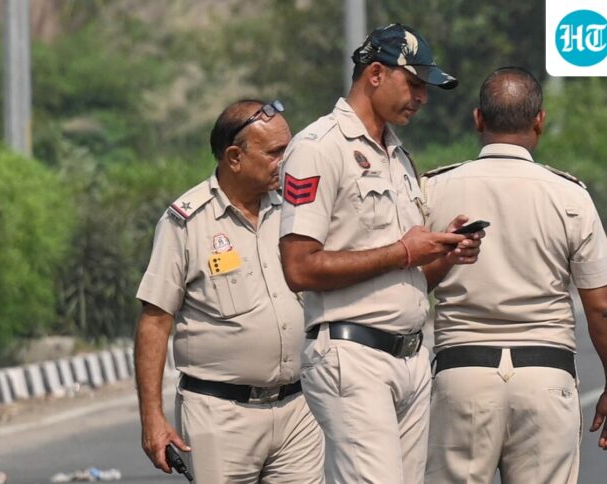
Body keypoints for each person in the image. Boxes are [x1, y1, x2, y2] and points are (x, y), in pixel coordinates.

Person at [278, 24, 483, 484]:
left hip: (409, 355)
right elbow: (299, 267)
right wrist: (405, 251)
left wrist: (443, 252)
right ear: (375, 74)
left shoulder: (398, 156)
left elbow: (408, 276)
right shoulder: (318, 148)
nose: (422, 97)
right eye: (413, 84)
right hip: (352, 355)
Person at [422, 67, 607, 483]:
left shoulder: (432, 190)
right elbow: (604, 309)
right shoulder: (569, 195)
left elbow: (409, 288)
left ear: (478, 119)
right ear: (540, 120)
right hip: (545, 377)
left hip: (460, 375)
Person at [134, 99, 325, 483]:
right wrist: (152, 418)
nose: (286, 162)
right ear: (234, 157)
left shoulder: (296, 211)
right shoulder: (186, 223)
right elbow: (155, 323)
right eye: (275, 153)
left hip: (299, 409)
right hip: (221, 415)